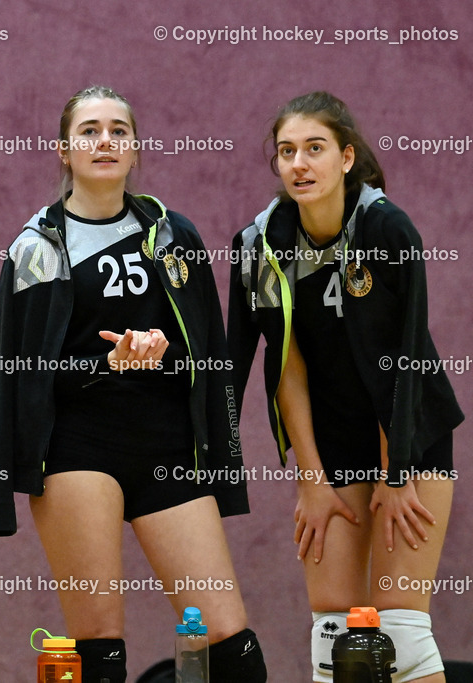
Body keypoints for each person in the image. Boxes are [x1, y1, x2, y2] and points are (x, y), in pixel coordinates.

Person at [0, 85, 267, 683]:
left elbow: (208, 351)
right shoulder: (37, 246)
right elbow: (24, 379)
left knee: (233, 650)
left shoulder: (173, 234)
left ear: (136, 148)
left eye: (118, 130)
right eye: (89, 130)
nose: (104, 141)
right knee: (100, 654)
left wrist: (161, 358)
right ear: (64, 149)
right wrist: (102, 366)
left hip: (165, 446)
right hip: (78, 448)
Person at [227, 91, 463, 683]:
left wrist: (396, 472)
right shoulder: (258, 247)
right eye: (286, 152)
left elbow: (403, 355)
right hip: (331, 440)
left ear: (346, 158)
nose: (300, 164)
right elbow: (284, 367)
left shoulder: (386, 227)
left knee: (400, 632)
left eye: (315, 148)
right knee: (334, 633)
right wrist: (311, 479)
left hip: (410, 427)